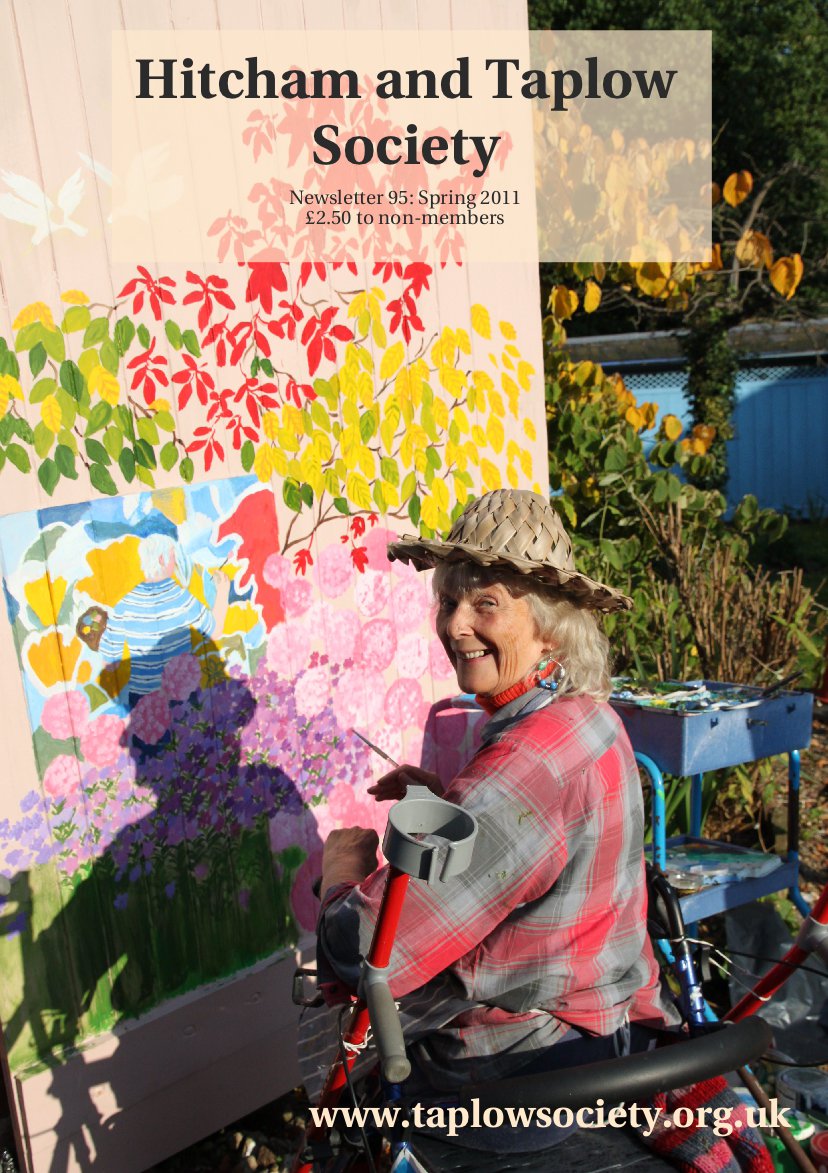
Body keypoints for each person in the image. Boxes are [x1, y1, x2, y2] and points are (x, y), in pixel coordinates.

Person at [316, 488, 678, 1102]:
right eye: (449, 601)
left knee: (348, 1098)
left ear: (548, 627)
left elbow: (373, 954)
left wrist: (340, 874)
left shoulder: (534, 759)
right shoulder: (586, 717)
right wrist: (454, 805)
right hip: (603, 1031)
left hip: (526, 1075)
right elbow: (533, 846)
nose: (455, 625)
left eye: (486, 604)